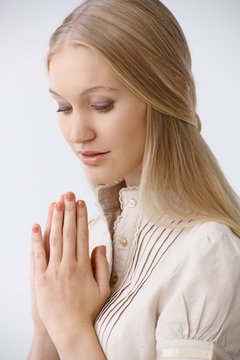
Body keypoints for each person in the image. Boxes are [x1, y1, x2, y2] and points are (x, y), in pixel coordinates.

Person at [28, 0, 240, 359]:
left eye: (100, 105)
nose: (77, 133)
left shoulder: (207, 253)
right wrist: (44, 327)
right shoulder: (88, 238)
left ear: (168, 93)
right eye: (63, 107)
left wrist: (69, 327)